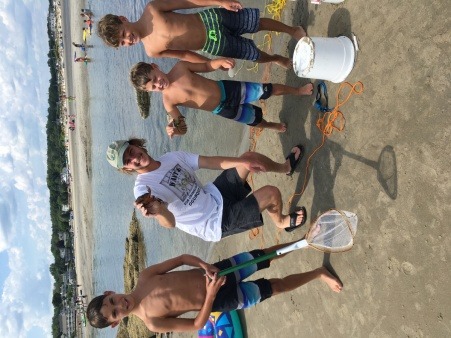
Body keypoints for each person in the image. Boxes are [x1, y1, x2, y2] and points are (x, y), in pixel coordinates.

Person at [86, 240, 343, 333]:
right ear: (116, 323)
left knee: (264, 256)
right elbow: (197, 324)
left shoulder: (144, 276)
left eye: (113, 301)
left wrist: (205, 265)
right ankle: (318, 273)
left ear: (110, 292)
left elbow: (183, 259)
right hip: (221, 300)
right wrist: (210, 295)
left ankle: (304, 241)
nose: (120, 305)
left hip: (217, 271)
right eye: (115, 312)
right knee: (275, 286)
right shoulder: (153, 322)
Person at [106, 138, 307, 242]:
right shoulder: (143, 187)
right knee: (271, 193)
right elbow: (170, 223)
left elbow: (210, 161)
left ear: (135, 145)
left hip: (214, 194)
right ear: (127, 168)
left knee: (249, 158)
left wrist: (242, 161)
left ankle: (286, 168)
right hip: (214, 222)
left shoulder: (172, 157)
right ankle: (281, 222)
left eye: (131, 151)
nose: (134, 158)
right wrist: (159, 211)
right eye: (127, 161)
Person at [130, 59, 313, 136]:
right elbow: (182, 125)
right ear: (149, 92)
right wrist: (177, 130)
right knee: (253, 120)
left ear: (155, 66)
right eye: (153, 87)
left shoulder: (180, 67)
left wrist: (219, 62)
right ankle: (272, 125)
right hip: (222, 109)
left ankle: (298, 91)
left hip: (228, 89)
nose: (158, 84)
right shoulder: (168, 102)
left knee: (266, 90)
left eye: (155, 78)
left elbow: (206, 66)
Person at [97, 0, 306, 68]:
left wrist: (220, 2)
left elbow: (188, 2)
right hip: (213, 46)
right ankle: (276, 58)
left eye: (123, 34)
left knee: (256, 23)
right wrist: (209, 64)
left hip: (212, 18)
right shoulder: (151, 50)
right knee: (253, 55)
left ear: (123, 19)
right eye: (123, 43)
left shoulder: (152, 9)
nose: (127, 39)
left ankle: (292, 30)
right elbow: (184, 55)